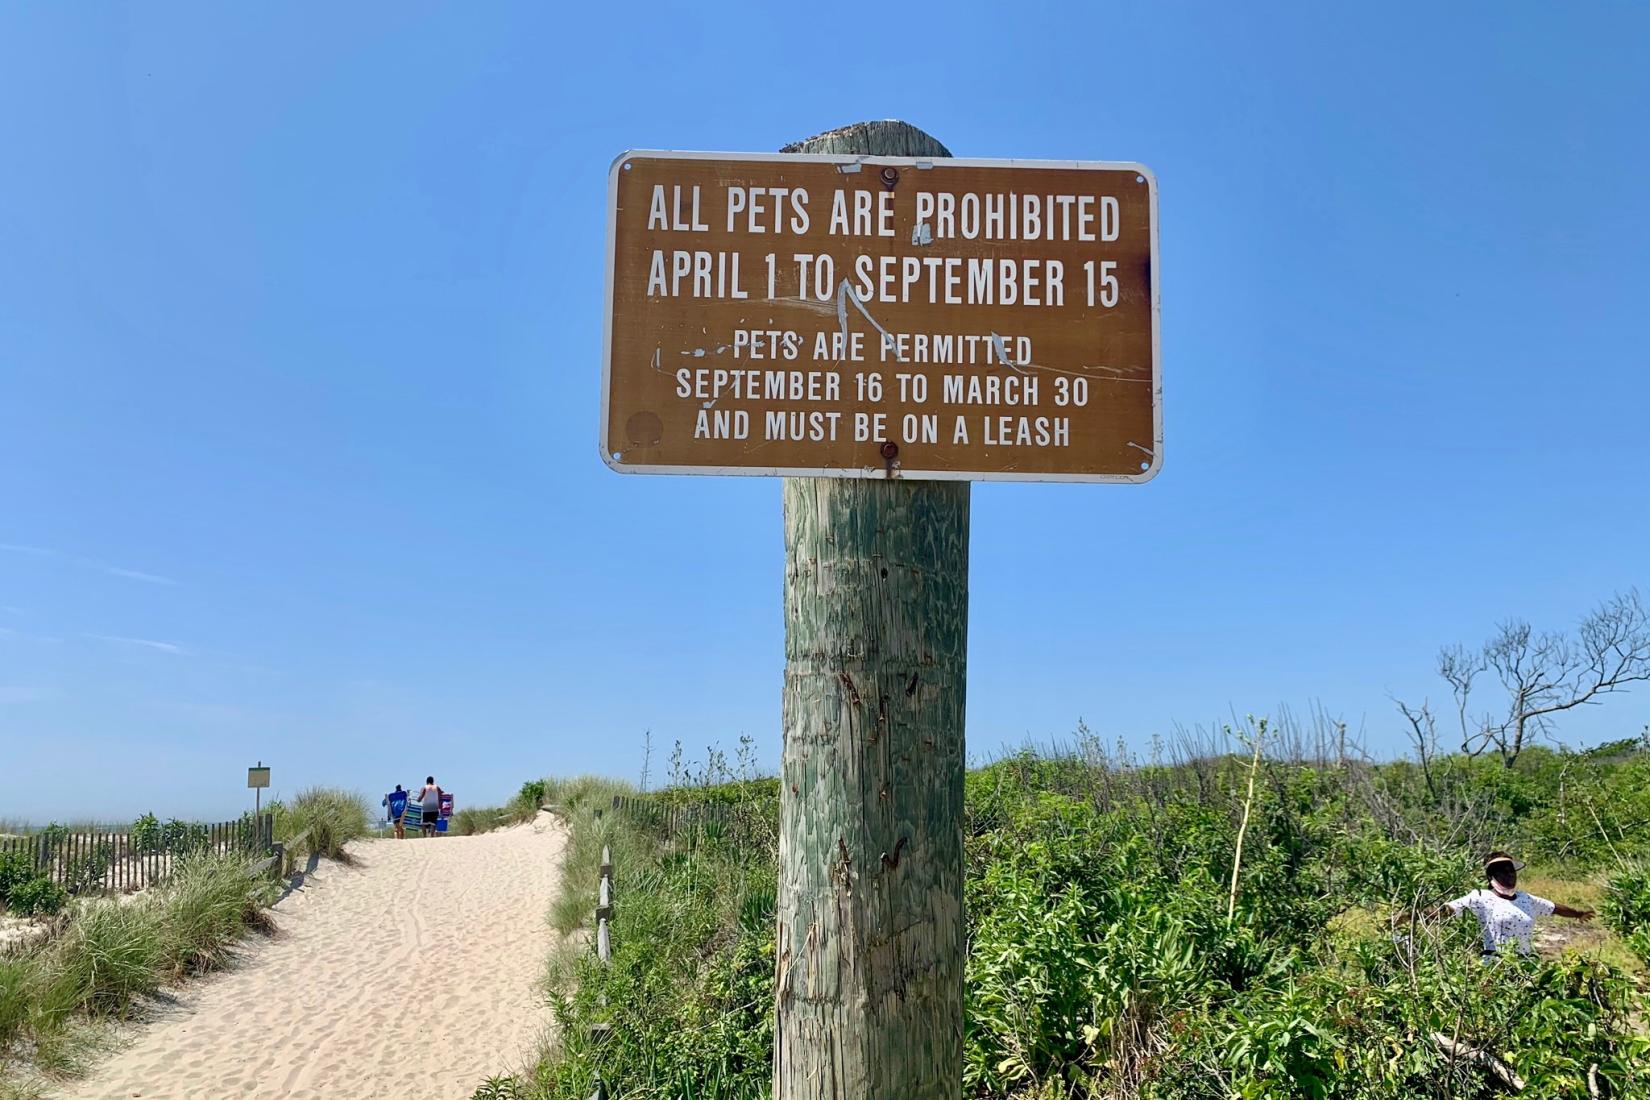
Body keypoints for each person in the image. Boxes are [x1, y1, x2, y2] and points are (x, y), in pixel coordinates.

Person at [1432, 851, 1593, 960]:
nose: (1509, 875)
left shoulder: (1525, 898)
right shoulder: (1480, 898)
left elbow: (1554, 908)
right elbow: (1449, 910)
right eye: (1503, 871)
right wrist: (1415, 916)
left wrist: (1578, 914)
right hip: (1496, 965)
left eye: (1511, 871)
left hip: (1526, 964)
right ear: (1491, 876)